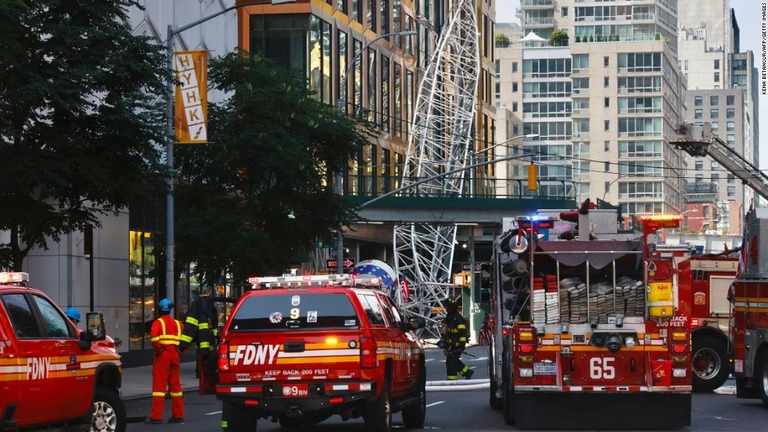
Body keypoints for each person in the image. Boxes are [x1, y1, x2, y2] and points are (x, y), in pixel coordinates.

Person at [146, 298, 184, 424]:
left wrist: (159, 351)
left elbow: (154, 339)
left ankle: (156, 417)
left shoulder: (158, 323)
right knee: (176, 387)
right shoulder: (178, 324)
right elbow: (185, 340)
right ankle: (178, 415)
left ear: (159, 310)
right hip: (175, 356)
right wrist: (180, 351)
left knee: (159, 387)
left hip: (162, 356)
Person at [179, 287, 219, 394]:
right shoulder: (212, 308)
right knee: (211, 364)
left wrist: (182, 346)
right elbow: (215, 326)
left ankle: (206, 386)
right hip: (210, 342)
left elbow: (190, 328)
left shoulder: (196, 306)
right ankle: (212, 385)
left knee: (203, 365)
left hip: (202, 343)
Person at [440, 298, 473, 380]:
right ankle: (467, 372)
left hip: (456, 345)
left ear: (452, 307)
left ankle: (452, 379)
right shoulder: (450, 318)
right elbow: (447, 331)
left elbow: (462, 333)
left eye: (448, 307)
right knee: (453, 360)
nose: (447, 309)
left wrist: (461, 345)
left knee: (451, 362)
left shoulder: (458, 319)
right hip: (450, 345)